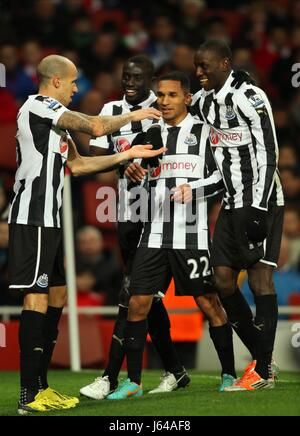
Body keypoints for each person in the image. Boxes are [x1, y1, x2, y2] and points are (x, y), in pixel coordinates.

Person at [8, 54, 164, 415]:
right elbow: (94, 127)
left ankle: (42, 387)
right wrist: (134, 116)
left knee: (58, 294)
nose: (78, 88)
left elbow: (78, 165)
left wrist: (128, 155)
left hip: (48, 219)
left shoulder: (55, 122)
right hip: (32, 217)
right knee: (36, 298)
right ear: (56, 81)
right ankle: (29, 395)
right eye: (74, 82)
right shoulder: (39, 105)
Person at [107, 71, 237, 401]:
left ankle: (228, 374)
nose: (164, 101)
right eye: (160, 95)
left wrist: (192, 189)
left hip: (191, 235)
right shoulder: (149, 133)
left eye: (171, 95)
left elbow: (224, 180)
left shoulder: (206, 132)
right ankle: (133, 381)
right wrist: (133, 172)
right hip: (153, 233)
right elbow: (139, 177)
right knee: (138, 303)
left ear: (188, 98)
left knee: (209, 304)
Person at [80, 55, 190, 400]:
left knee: (132, 294)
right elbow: (95, 158)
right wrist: (121, 163)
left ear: (151, 79)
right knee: (146, 298)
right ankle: (175, 369)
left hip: (157, 213)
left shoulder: (161, 105)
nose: (130, 81)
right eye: (126, 75)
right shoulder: (111, 111)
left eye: (137, 76)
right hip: (126, 213)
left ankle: (111, 376)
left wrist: (142, 161)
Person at [193, 39, 284, 391]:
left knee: (260, 280)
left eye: (205, 66)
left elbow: (269, 152)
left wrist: (259, 207)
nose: (199, 72)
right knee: (222, 280)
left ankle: (260, 369)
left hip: (262, 201)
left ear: (225, 64)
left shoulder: (249, 96)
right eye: (197, 66)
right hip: (231, 203)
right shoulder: (205, 102)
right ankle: (263, 357)